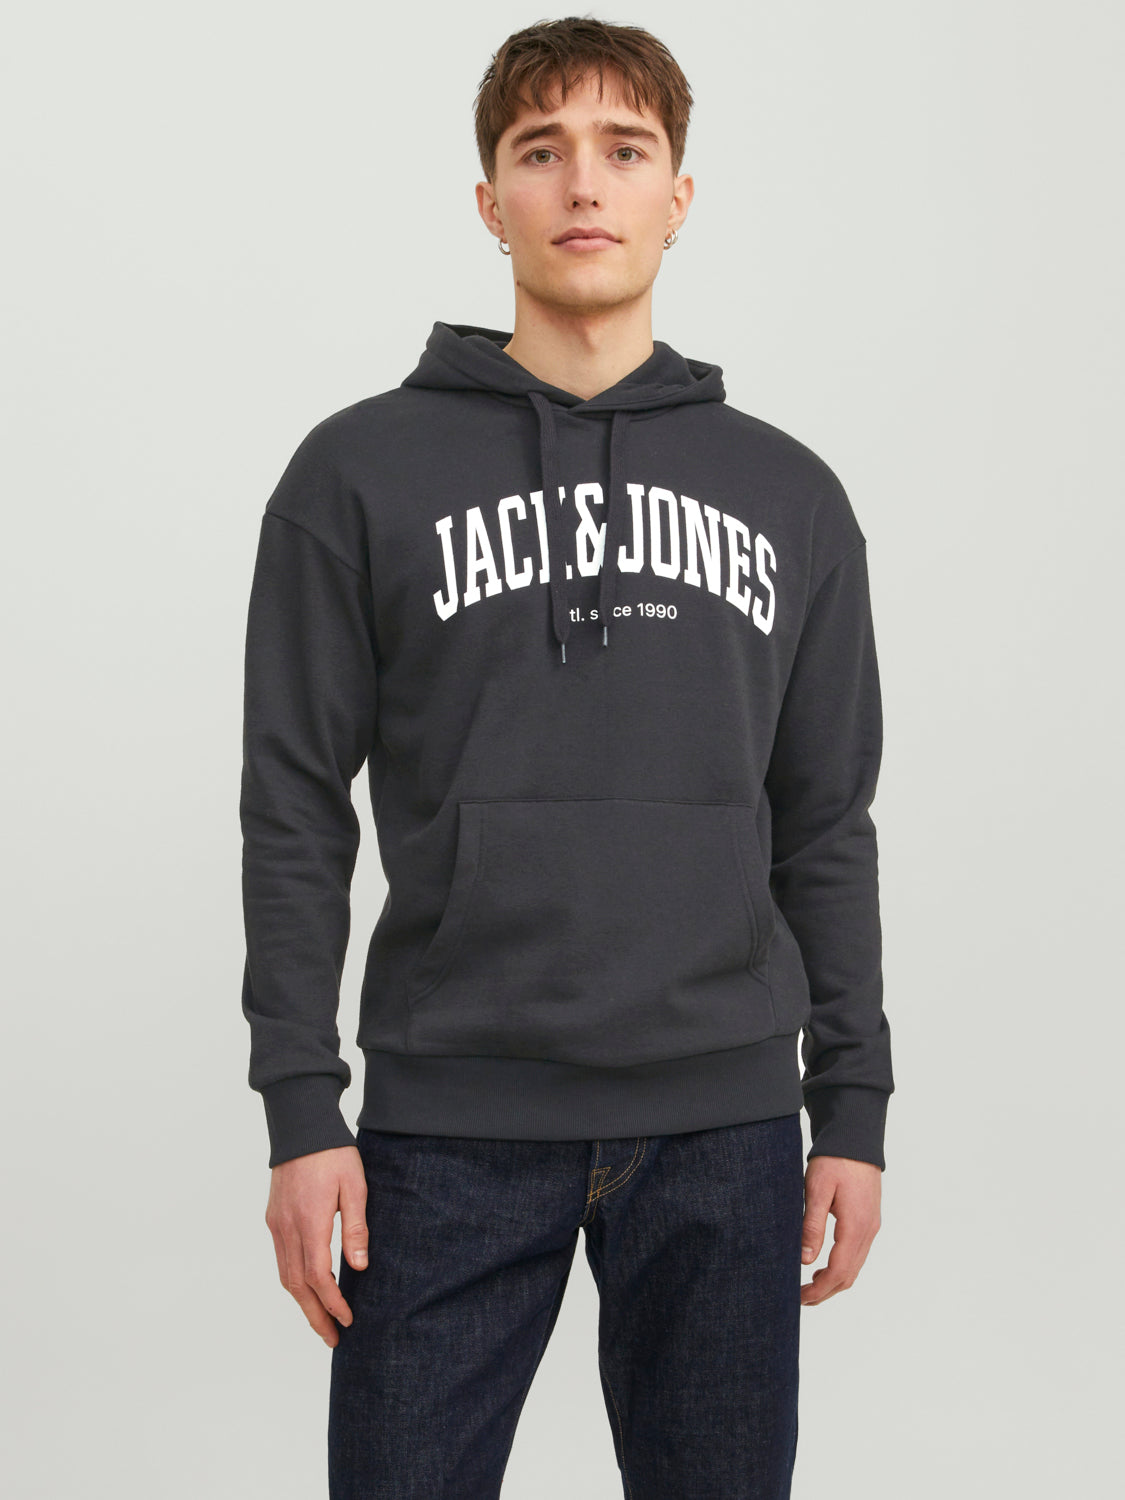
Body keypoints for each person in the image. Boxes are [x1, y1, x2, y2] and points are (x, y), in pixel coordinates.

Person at [239, 15, 894, 1498]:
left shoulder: (789, 494)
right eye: (541, 151)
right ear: (490, 201)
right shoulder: (355, 474)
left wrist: (850, 1106)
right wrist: (300, 1110)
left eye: (623, 149)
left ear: (678, 194)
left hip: (725, 1125)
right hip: (446, 1125)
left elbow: (825, 819)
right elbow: (292, 806)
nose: (583, 184)